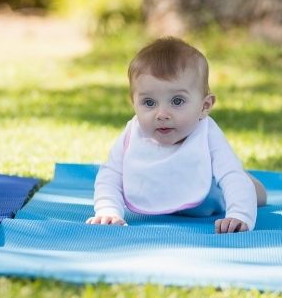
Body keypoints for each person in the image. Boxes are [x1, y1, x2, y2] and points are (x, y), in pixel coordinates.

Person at [87, 37, 266, 233]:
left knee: (249, 187)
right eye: (149, 103)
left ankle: (254, 184)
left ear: (204, 106)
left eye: (178, 101)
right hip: (165, 194)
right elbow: (110, 174)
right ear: (134, 103)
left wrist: (239, 215)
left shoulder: (206, 133)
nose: (162, 114)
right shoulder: (133, 132)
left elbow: (232, 176)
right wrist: (108, 210)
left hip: (211, 197)